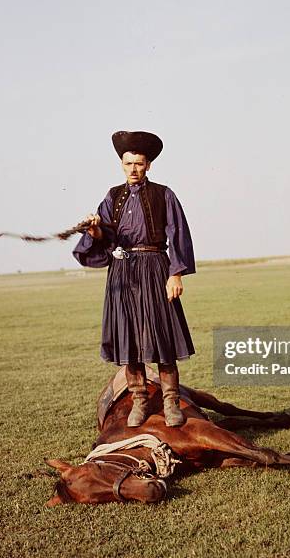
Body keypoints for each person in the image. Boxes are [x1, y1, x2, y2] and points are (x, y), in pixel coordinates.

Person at [73, 130, 195, 427]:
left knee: (162, 338)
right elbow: (106, 236)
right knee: (127, 338)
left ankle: (170, 403)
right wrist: (95, 231)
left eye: (139, 163)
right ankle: (139, 401)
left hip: (154, 267)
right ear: (122, 165)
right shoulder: (112, 196)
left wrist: (175, 274)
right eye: (128, 164)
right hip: (122, 271)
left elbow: (177, 233)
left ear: (148, 165)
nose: (133, 169)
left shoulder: (163, 194)